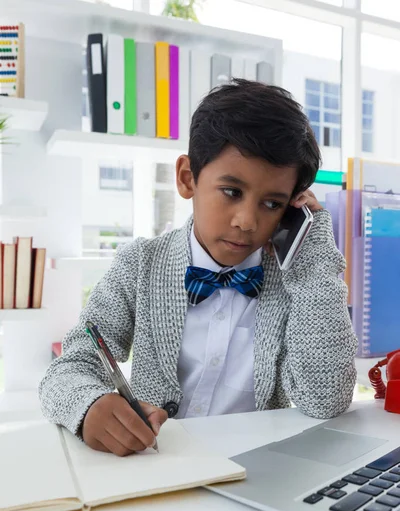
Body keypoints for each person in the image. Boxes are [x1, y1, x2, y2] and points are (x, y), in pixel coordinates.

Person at [39, 79, 358, 457]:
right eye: (232, 192)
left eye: (272, 204)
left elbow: (326, 399)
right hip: (155, 468)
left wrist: (314, 261)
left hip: (258, 475)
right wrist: (87, 405)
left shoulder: (299, 284)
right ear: (187, 178)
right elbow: (70, 365)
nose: (247, 221)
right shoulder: (140, 265)